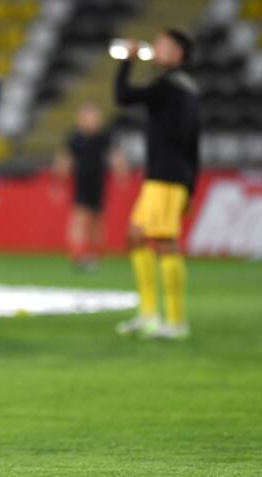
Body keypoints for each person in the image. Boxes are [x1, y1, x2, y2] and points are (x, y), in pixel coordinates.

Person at [114, 29, 199, 340]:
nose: (158, 48)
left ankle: (175, 321)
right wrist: (191, 183)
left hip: (167, 177)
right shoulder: (184, 88)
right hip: (165, 177)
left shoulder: (170, 87)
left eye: (164, 45)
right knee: (135, 238)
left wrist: (129, 60)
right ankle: (149, 314)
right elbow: (194, 142)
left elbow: (122, 96)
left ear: (179, 54)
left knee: (164, 244)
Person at [53, 102, 126, 271]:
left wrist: (121, 171)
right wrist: (58, 180)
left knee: (97, 220)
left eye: (94, 117)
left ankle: (94, 255)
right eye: (88, 117)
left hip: (98, 183)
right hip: (81, 182)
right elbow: (65, 159)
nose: (92, 121)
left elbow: (115, 155)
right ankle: (77, 254)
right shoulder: (74, 137)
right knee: (79, 217)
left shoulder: (103, 137)